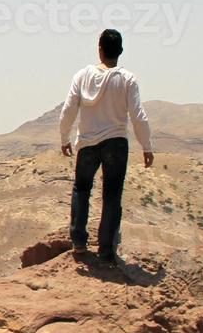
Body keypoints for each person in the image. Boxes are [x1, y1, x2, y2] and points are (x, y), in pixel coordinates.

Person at [58, 29, 154, 262]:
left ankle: (79, 242)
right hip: (116, 142)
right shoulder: (127, 79)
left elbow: (69, 109)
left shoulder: (82, 76)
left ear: (99, 48)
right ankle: (106, 249)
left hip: (88, 142)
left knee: (82, 189)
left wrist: (64, 138)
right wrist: (147, 145)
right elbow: (138, 115)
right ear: (120, 51)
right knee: (112, 195)